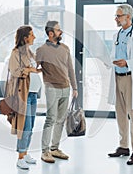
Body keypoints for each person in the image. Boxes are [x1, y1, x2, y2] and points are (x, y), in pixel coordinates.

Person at [107, 4, 133, 165]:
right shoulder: (116, 35)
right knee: (120, 115)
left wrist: (127, 62)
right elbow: (115, 54)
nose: (116, 18)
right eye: (116, 16)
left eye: (118, 16)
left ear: (128, 17)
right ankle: (123, 146)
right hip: (117, 77)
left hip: (131, 78)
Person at [36, 20, 78, 163]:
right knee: (50, 119)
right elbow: (33, 67)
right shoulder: (41, 50)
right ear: (50, 33)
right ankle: (45, 151)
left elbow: (70, 69)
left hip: (65, 87)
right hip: (51, 88)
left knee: (60, 120)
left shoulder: (65, 48)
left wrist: (75, 87)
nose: (61, 32)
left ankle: (55, 148)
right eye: (58, 30)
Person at [7, 25, 42, 170]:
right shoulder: (16, 53)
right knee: (24, 127)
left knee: (31, 125)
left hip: (33, 94)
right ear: (25, 37)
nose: (34, 37)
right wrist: (30, 69)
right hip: (23, 95)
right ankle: (20, 157)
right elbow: (14, 70)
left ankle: (26, 153)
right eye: (32, 35)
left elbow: (36, 67)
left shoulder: (29, 52)